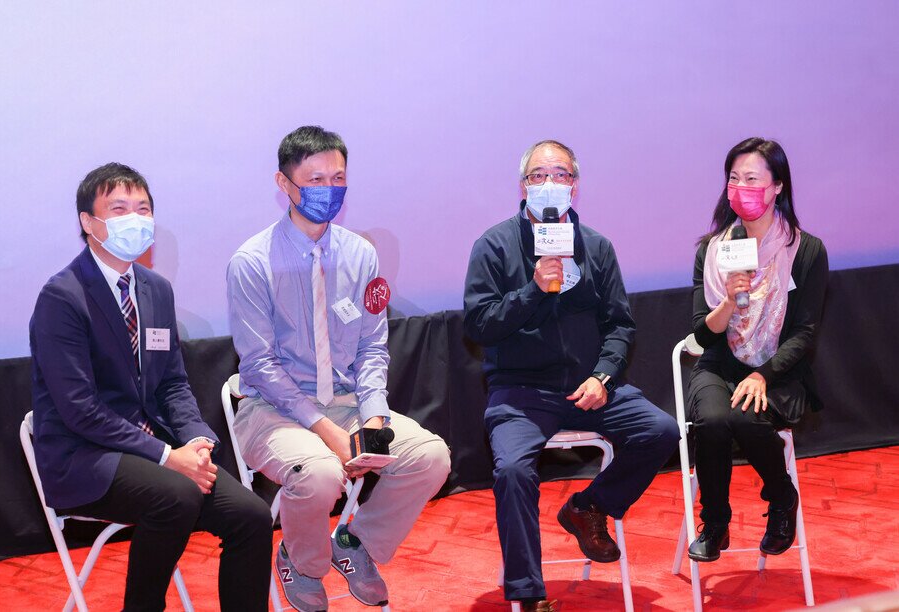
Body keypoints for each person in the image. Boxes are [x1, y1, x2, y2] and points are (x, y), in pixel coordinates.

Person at [30, 163, 273, 611]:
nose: (135, 219)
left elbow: (173, 384)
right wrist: (167, 456)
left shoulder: (156, 290)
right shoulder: (62, 297)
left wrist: (196, 440)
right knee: (176, 495)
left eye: (143, 209)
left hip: (154, 450)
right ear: (89, 222)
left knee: (252, 516)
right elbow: (79, 408)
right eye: (119, 208)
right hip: (83, 456)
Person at [226, 126, 451, 612]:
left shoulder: (361, 254)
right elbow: (260, 366)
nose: (328, 189)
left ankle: (356, 544)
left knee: (430, 456)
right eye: (315, 179)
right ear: (284, 184)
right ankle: (301, 560)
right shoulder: (251, 262)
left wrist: (374, 416)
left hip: (348, 403)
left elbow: (372, 347)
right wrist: (327, 431)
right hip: (272, 411)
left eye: (338, 178)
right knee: (322, 472)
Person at [463, 140, 679, 611]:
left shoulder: (596, 247)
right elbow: (478, 324)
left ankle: (589, 507)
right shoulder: (494, 245)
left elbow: (620, 324)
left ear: (575, 186)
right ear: (523, 186)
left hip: (589, 385)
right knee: (515, 471)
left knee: (661, 431)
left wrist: (603, 375)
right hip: (521, 392)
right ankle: (529, 596)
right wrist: (533, 289)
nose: (549, 184)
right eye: (539, 176)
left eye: (560, 174)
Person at [686, 137, 828, 562]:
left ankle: (782, 500)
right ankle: (715, 523)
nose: (740, 188)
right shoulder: (712, 251)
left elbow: (803, 333)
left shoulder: (805, 250)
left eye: (751, 179)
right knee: (712, 419)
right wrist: (730, 301)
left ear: (778, 186)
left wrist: (762, 374)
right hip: (718, 362)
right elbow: (701, 335)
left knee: (744, 416)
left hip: (777, 368)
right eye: (733, 179)